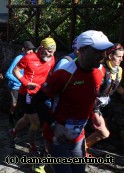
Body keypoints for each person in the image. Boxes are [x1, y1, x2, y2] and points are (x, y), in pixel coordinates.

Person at [41, 30, 114, 173]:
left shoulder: (101, 71)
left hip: (78, 136)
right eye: (97, 51)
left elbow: (90, 95)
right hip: (57, 136)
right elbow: (38, 101)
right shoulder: (63, 74)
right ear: (81, 51)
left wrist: (95, 111)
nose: (103, 55)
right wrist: (55, 125)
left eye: (104, 51)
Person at [10, 37, 56, 153]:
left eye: (53, 52)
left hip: (40, 94)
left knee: (26, 118)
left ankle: (14, 131)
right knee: (36, 122)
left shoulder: (52, 59)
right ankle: (32, 145)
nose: (51, 55)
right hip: (27, 94)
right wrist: (26, 83)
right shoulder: (29, 58)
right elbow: (15, 70)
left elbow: (50, 73)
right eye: (49, 51)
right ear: (41, 48)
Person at [86, 44, 123, 149]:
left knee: (101, 131)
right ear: (110, 56)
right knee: (103, 133)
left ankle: (81, 150)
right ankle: (79, 151)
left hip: (105, 104)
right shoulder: (100, 69)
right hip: (93, 103)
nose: (121, 59)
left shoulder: (119, 70)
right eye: (119, 56)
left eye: (122, 56)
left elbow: (116, 85)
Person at [5, 41, 35, 126]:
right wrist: (21, 81)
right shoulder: (18, 58)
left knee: (28, 103)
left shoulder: (33, 58)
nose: (31, 52)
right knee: (15, 104)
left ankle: (25, 119)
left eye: (32, 50)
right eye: (29, 50)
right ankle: (11, 115)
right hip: (17, 86)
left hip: (27, 88)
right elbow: (8, 74)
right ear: (23, 49)